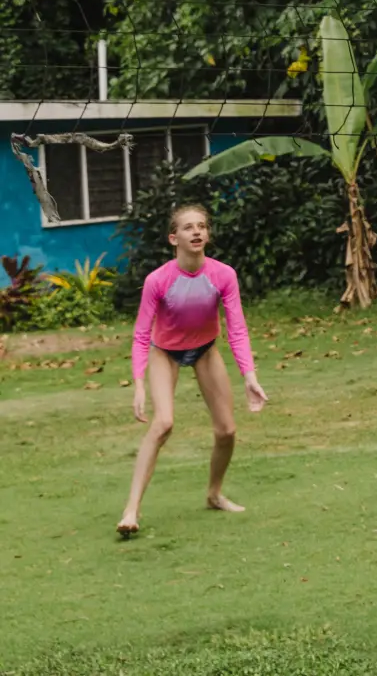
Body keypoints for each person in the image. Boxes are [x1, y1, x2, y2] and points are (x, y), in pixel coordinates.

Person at [118, 204, 269, 537]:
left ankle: (214, 494)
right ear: (174, 237)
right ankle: (131, 510)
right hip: (165, 353)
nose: (197, 232)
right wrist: (139, 383)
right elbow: (142, 333)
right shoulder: (158, 280)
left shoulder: (223, 275)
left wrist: (250, 377)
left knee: (227, 431)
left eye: (202, 226)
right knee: (163, 424)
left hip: (204, 350)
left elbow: (238, 329)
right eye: (188, 227)